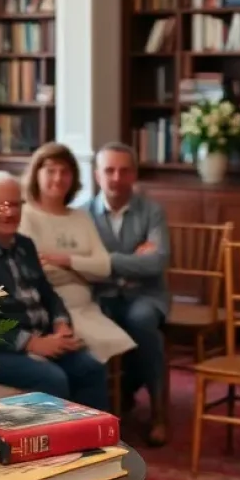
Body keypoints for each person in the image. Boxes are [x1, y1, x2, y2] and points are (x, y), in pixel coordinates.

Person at [0, 170, 109, 410]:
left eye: (16, 205)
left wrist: (61, 324)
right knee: (52, 378)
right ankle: (58, 444)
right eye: (1, 205)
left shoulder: (25, 245)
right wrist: (30, 343)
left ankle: (93, 441)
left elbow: (48, 294)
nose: (10, 212)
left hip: (46, 336)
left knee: (92, 369)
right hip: (0, 350)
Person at [18, 143, 135, 364]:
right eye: (51, 170)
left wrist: (64, 261)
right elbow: (37, 272)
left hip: (88, 308)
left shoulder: (81, 217)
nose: (58, 178)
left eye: (65, 172)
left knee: (131, 348)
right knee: (91, 362)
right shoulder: (26, 215)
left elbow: (104, 267)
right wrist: (83, 271)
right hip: (55, 313)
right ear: (36, 174)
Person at [86, 142, 171, 445]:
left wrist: (106, 262)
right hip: (101, 296)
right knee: (91, 324)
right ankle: (105, 408)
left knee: (141, 321)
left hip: (146, 295)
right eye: (109, 170)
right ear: (97, 174)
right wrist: (134, 259)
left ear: (134, 174)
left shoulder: (152, 211)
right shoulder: (83, 213)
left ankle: (160, 411)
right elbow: (84, 266)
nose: (116, 177)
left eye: (123, 170)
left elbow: (158, 261)